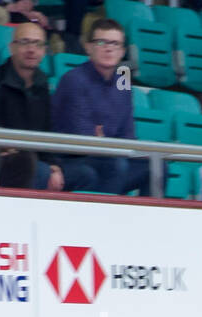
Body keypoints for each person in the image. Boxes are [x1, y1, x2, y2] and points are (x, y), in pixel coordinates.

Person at [50, 19, 151, 195]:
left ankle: (148, 220)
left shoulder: (122, 78)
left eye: (115, 44)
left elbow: (127, 134)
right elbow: (82, 136)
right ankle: (107, 218)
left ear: (122, 51)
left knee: (156, 166)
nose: (108, 48)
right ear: (89, 47)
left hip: (109, 157)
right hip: (72, 160)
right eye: (101, 42)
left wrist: (106, 140)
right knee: (115, 164)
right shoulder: (74, 79)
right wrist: (106, 142)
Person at [0, 21, 82, 191]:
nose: (31, 49)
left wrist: (53, 165)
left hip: (37, 158)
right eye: (25, 42)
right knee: (39, 171)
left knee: (84, 174)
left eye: (37, 44)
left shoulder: (43, 83)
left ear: (43, 51)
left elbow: (46, 132)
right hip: (4, 160)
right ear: (12, 47)